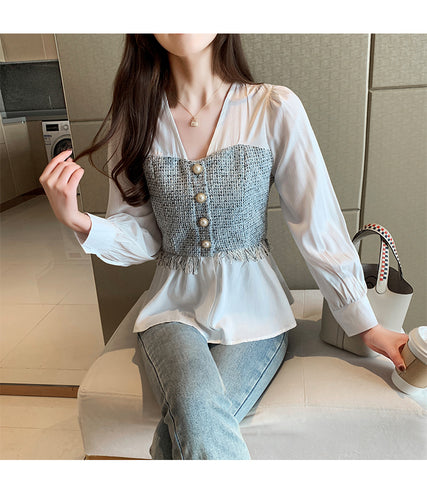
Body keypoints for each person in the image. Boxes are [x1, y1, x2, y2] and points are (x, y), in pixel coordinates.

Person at [39, 34, 409, 460]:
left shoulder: (273, 107)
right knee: (196, 408)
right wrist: (80, 222)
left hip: (257, 311)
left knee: (190, 428)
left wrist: (364, 323)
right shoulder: (136, 119)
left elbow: (317, 223)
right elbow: (143, 236)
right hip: (171, 310)